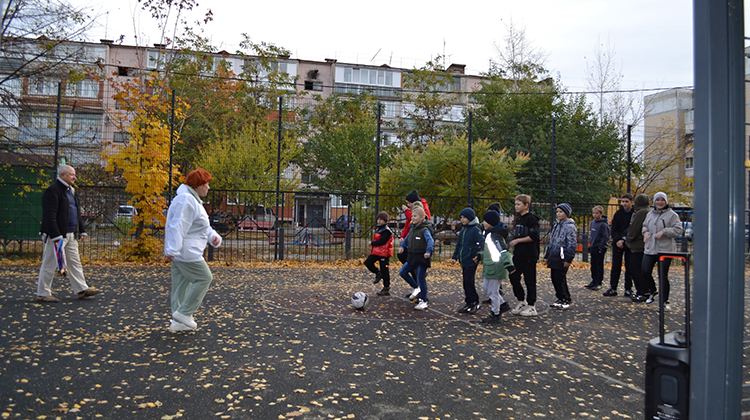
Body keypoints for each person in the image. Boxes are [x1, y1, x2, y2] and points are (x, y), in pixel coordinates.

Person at [164, 168, 222, 332]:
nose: (208, 188)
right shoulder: (187, 200)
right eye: (206, 184)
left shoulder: (190, 199)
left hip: (182, 251)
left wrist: (212, 237)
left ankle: (178, 321)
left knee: (181, 285)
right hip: (187, 252)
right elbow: (178, 226)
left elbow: (199, 226)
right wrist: (173, 249)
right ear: (198, 185)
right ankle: (184, 313)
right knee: (204, 278)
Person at [36, 165, 100, 302]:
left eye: (74, 174)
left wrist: (81, 230)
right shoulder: (53, 191)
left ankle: (81, 289)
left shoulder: (71, 191)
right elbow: (50, 215)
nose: (74, 177)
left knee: (74, 262)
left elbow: (76, 213)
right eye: (71, 174)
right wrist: (56, 235)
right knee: (49, 263)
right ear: (63, 175)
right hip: (56, 235)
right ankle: (43, 292)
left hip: (71, 234)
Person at [641, 192, 683, 311]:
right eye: (657, 200)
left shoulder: (672, 215)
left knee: (662, 275)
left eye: (662, 200)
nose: (659, 202)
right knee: (645, 271)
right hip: (650, 248)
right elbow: (644, 226)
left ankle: (664, 301)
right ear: (654, 201)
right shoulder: (650, 214)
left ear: (666, 201)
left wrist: (664, 232)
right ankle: (653, 291)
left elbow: (678, 230)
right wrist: (645, 233)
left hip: (665, 249)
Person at [474, 210, 515, 323]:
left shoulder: (495, 236)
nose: (483, 223)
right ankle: (502, 304)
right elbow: (490, 252)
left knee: (493, 291)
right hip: (491, 266)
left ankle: (495, 314)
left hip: (496, 267)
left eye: (485, 221)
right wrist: (480, 256)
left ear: (491, 222)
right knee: (486, 287)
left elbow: (503, 251)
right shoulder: (490, 234)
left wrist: (509, 265)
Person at [508, 194, 541, 316]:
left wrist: (517, 240)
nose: (516, 206)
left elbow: (533, 236)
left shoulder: (531, 219)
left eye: (518, 204)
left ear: (526, 205)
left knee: (529, 280)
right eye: (515, 204)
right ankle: (521, 300)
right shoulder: (519, 219)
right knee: (513, 276)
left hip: (529, 255)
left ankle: (532, 306)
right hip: (518, 254)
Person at [398, 206, 434, 310]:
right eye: (412, 216)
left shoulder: (424, 229)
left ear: (422, 217)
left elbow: (430, 241)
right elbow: (407, 239)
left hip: (422, 257)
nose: (413, 218)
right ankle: (416, 288)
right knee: (403, 272)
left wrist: (428, 251)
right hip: (412, 257)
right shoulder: (413, 228)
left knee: (421, 278)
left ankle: (424, 300)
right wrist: (402, 246)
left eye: (415, 216)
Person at [451, 207, 485, 314]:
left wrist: (479, 255)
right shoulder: (463, 230)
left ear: (470, 218)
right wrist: (455, 257)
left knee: (468, 281)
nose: (462, 219)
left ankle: (474, 301)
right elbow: (459, 245)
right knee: (466, 282)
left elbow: (482, 243)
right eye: (461, 217)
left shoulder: (475, 230)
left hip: (471, 260)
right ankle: (469, 302)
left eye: (464, 217)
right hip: (464, 259)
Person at [544, 203, 577, 309]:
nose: (558, 214)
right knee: (554, 278)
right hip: (554, 254)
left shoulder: (569, 227)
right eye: (557, 211)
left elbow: (571, 243)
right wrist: (547, 255)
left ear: (566, 213)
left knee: (560, 278)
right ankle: (560, 297)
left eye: (561, 212)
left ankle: (566, 298)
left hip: (562, 257)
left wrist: (568, 258)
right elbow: (552, 241)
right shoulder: (557, 225)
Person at [603, 193, 634, 297]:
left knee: (629, 266)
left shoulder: (634, 214)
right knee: (616, 265)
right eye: (623, 201)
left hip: (629, 242)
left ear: (631, 202)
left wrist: (625, 239)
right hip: (618, 243)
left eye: (627, 201)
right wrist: (618, 240)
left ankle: (628, 288)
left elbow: (633, 229)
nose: (624, 204)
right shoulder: (618, 214)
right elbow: (614, 229)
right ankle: (613, 287)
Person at [626, 194, 651, 303]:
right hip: (642, 244)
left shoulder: (641, 212)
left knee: (635, 268)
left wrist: (628, 238)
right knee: (638, 268)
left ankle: (642, 291)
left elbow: (635, 227)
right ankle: (643, 290)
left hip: (638, 244)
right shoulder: (648, 210)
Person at [366, 211, 394, 296]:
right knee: (368, 262)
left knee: (385, 270)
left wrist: (372, 243)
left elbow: (382, 241)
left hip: (384, 253)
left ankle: (386, 288)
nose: (379, 221)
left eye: (381, 220)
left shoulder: (386, 230)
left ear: (385, 221)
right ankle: (378, 272)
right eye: (378, 219)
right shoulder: (378, 228)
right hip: (376, 251)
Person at [584, 205, 610, 290]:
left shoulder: (603, 224)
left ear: (601, 214)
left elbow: (605, 236)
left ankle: (599, 282)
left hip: (600, 247)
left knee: (599, 265)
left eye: (597, 213)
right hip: (593, 246)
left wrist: (601, 246)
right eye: (593, 213)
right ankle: (594, 280)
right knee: (593, 265)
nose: (595, 215)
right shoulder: (593, 223)